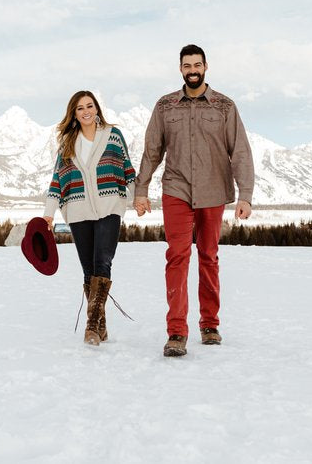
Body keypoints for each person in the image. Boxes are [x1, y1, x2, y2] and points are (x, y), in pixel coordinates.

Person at [134, 45, 254, 357]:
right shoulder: (165, 106)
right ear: (180, 69)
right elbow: (151, 150)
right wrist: (141, 190)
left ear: (205, 66)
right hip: (176, 189)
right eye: (187, 65)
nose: (192, 70)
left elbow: (240, 151)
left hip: (213, 190)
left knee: (208, 256)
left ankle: (210, 324)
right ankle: (176, 331)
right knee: (177, 256)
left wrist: (245, 195)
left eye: (197, 65)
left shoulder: (224, 106)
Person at [44, 91, 136, 346]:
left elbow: (127, 169)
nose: (86, 111)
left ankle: (92, 326)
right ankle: (101, 326)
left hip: (110, 206)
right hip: (78, 210)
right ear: (74, 114)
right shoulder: (67, 144)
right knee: (88, 270)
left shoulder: (113, 135)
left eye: (89, 106)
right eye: (80, 108)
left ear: (97, 109)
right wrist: (48, 214)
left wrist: (138, 197)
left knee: (102, 261)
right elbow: (57, 180)